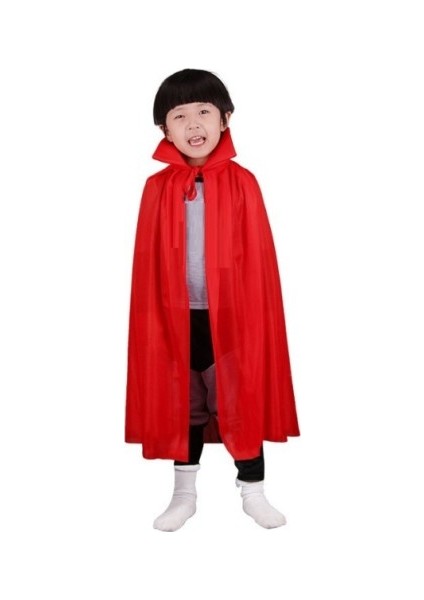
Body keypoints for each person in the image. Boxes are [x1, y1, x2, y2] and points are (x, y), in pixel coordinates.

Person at [125, 69, 300, 531]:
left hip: (235, 317)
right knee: (183, 403)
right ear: (165, 129)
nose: (193, 123)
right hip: (176, 316)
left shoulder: (244, 182)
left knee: (240, 398)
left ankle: (253, 491)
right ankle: (184, 495)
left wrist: (250, 315)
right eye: (179, 115)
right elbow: (147, 264)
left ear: (225, 119)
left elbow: (259, 260)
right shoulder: (157, 188)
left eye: (204, 111)